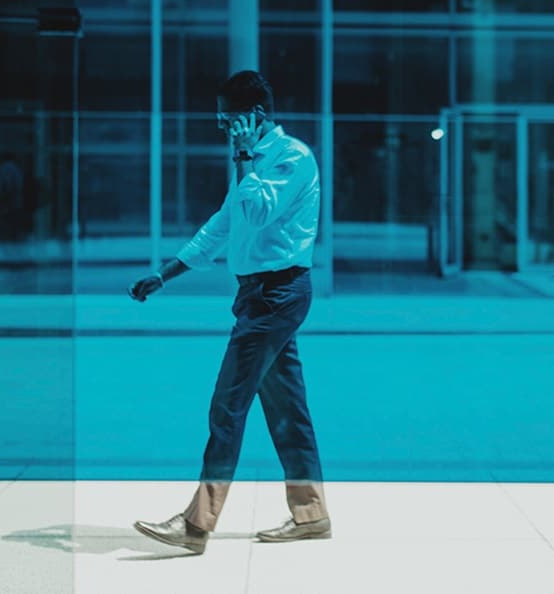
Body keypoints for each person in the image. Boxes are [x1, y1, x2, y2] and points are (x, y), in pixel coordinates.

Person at [129, 70, 330, 555]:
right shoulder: (254, 162)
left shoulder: (291, 157)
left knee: (228, 406)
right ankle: (312, 515)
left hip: (277, 295)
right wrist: (166, 274)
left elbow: (258, 213)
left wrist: (242, 158)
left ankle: (196, 525)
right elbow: (224, 224)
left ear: (255, 115)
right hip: (258, 296)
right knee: (288, 410)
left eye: (229, 119)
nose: (223, 127)